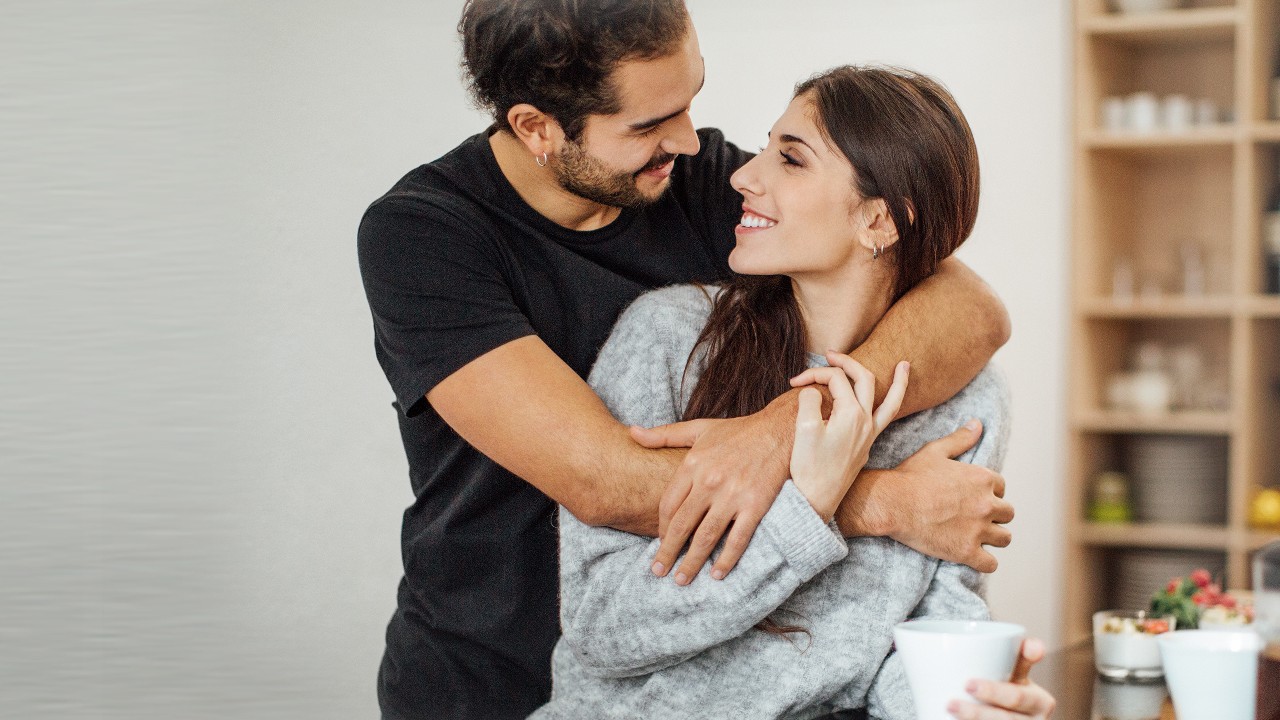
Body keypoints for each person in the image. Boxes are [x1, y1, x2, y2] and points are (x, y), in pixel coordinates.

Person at [357, 2, 1018, 717]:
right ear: (537, 129)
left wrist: (788, 421)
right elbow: (604, 479)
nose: (692, 142)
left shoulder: (690, 179)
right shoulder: (425, 235)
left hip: (704, 659)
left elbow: (970, 306)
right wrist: (877, 500)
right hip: (489, 672)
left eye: (688, 101)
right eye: (647, 125)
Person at [530, 64, 1054, 720]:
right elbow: (602, 628)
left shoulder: (968, 400)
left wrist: (966, 703)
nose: (745, 176)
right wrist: (804, 510)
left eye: (791, 159)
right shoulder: (671, 338)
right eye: (764, 147)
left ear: (881, 221)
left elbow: (923, 637)